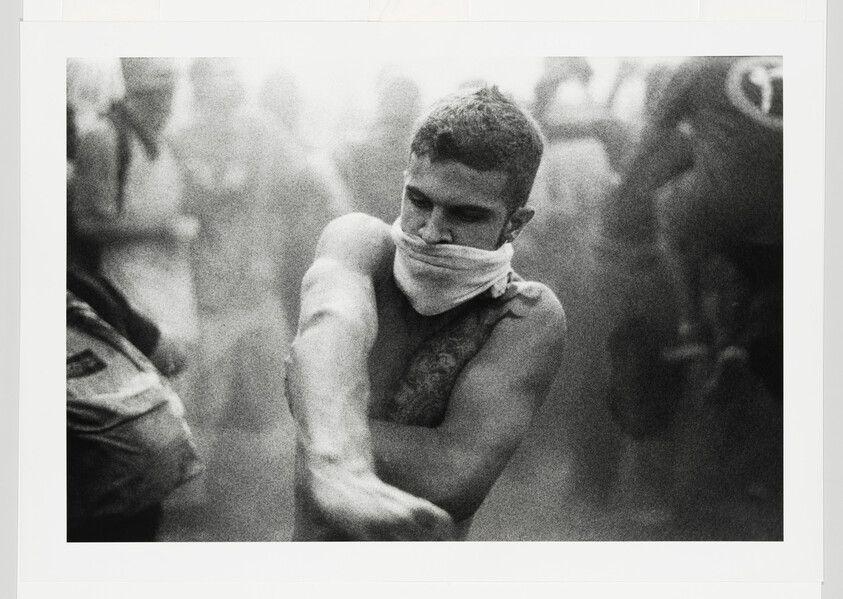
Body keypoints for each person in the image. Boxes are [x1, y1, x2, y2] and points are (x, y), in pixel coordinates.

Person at [286, 86, 567, 541]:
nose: (432, 231)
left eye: (465, 213)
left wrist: (321, 408)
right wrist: (339, 466)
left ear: (515, 223)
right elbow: (331, 322)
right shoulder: (360, 241)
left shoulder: (523, 312)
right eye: (419, 201)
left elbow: (453, 478)